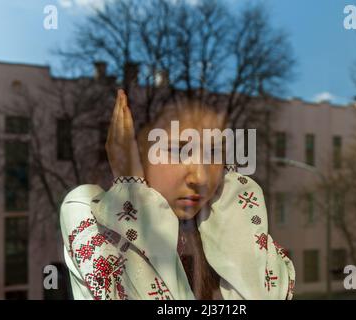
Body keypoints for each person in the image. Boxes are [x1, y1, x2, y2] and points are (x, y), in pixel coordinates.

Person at [59, 89, 295, 300]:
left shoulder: (224, 220)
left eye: (214, 153)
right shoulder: (86, 209)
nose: (200, 179)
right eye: (179, 151)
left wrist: (227, 188)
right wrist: (131, 186)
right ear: (133, 148)